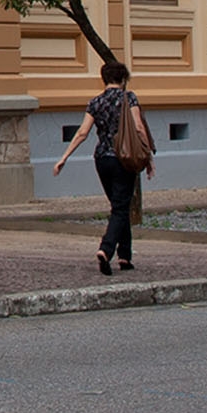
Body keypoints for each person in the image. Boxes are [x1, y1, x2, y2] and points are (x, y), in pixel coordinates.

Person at [53, 59, 151, 274]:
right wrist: (148, 156)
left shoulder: (95, 102)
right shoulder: (129, 98)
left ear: (104, 78)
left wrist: (64, 157)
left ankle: (125, 256)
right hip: (124, 157)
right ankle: (106, 249)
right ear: (123, 79)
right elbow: (138, 127)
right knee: (120, 206)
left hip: (102, 159)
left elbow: (82, 132)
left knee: (119, 205)